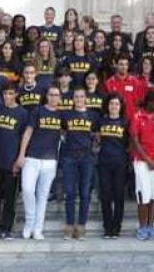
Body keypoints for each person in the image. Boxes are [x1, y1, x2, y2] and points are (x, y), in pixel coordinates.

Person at [17, 86, 64, 240]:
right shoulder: (37, 111)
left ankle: (38, 229)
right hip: (32, 157)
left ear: (60, 98)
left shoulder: (62, 115)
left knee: (43, 196)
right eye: (51, 94)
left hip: (50, 160)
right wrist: (21, 154)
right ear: (46, 96)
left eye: (56, 95)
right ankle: (29, 223)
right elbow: (28, 132)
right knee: (27, 189)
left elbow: (66, 133)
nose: (53, 97)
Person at [0, 86, 29, 240]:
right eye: (4, 93)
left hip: (11, 161)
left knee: (10, 197)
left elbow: (24, 137)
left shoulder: (22, 113)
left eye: (10, 93)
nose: (7, 96)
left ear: (16, 94)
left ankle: (6, 228)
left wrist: (19, 158)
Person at [61, 87, 97, 240]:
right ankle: (69, 224)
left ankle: (81, 225)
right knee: (69, 193)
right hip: (69, 156)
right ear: (73, 99)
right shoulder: (66, 114)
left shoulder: (93, 116)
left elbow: (97, 135)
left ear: (86, 98)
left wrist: (93, 146)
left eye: (82, 96)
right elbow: (62, 132)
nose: (79, 99)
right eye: (76, 96)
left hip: (87, 157)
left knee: (84, 193)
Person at [131, 90, 154, 240]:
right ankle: (142, 227)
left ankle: (151, 226)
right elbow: (135, 140)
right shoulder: (137, 116)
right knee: (143, 196)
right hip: (141, 162)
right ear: (149, 101)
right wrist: (147, 159)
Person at [97, 94, 129, 239]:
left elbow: (129, 143)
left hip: (120, 163)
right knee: (105, 196)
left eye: (116, 104)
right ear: (107, 105)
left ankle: (116, 228)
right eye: (111, 103)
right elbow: (97, 139)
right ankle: (107, 227)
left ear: (120, 106)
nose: (114, 106)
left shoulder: (125, 122)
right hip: (104, 162)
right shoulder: (101, 121)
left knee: (118, 195)